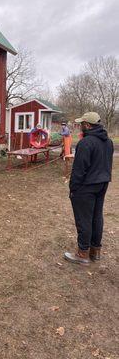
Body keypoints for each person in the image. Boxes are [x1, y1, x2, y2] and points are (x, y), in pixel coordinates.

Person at [64, 112, 114, 265]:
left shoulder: (86, 143)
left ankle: (82, 253)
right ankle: (95, 251)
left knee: (84, 219)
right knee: (96, 216)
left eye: (81, 124)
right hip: (102, 184)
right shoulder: (109, 142)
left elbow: (79, 170)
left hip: (87, 187)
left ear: (87, 125)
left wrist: (73, 189)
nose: (80, 126)